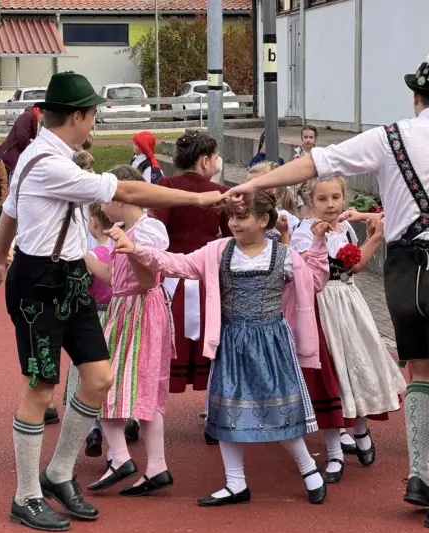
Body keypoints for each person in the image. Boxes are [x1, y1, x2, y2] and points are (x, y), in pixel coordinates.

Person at [231, 35, 429, 529]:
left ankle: (417, 477)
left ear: (416, 96)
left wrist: (253, 183)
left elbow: (315, 164)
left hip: (400, 272)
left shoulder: (389, 136)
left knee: (416, 372)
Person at [0, 72, 238, 532]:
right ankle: (25, 496)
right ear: (78, 116)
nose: (95, 121)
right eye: (94, 113)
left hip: (70, 278)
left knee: (98, 377)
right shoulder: (47, 162)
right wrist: (199, 200)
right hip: (39, 285)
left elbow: (11, 214)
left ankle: (58, 473)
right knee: (41, 388)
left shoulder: (47, 154)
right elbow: (128, 191)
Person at [111, 190, 330, 506]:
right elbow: (177, 263)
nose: (234, 223)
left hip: (271, 343)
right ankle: (235, 483)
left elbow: (315, 281)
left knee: (276, 409)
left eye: (242, 217)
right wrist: (137, 249)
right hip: (229, 342)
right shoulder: (217, 251)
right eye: (231, 217)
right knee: (226, 411)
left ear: (263, 220)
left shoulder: (284, 256)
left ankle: (309, 468)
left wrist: (319, 246)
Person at [290, 177, 406, 483]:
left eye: (335, 198)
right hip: (322, 305)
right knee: (333, 372)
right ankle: (335, 449)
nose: (330, 204)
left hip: (350, 301)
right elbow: (305, 273)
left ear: (344, 199)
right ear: (310, 202)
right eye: (323, 199)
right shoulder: (305, 233)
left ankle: (360, 427)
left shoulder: (346, 228)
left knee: (358, 365)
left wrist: (376, 238)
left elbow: (355, 267)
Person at [84, 165, 174, 496]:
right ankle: (155, 467)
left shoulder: (148, 230)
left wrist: (129, 248)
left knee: (104, 385)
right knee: (129, 389)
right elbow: (116, 278)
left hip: (141, 311)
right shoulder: (124, 229)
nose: (103, 210)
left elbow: (149, 278)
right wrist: (83, 257)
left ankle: (122, 458)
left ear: (121, 198)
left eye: (106, 200)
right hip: (126, 309)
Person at [153, 133, 231, 442]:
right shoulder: (220, 193)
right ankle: (215, 414)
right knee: (213, 347)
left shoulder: (165, 187)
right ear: (205, 161)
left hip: (170, 281)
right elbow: (229, 236)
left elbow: (156, 232)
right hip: (208, 281)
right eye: (214, 158)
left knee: (160, 347)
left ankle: (142, 413)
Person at [64, 200, 114, 458]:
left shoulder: (92, 256)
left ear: (93, 222)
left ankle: (92, 427)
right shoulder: (121, 253)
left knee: (86, 373)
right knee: (113, 372)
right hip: (117, 317)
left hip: (93, 317)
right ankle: (128, 425)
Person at [248, 162, 299, 243]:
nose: (248, 189)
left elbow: (294, 252)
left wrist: (284, 233)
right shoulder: (248, 215)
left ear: (272, 189)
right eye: (247, 184)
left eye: (255, 185)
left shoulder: (287, 219)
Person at [0, 104, 41, 180]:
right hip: (10, 157)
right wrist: (32, 145)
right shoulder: (27, 116)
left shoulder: (34, 118)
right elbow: (22, 139)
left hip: (16, 158)